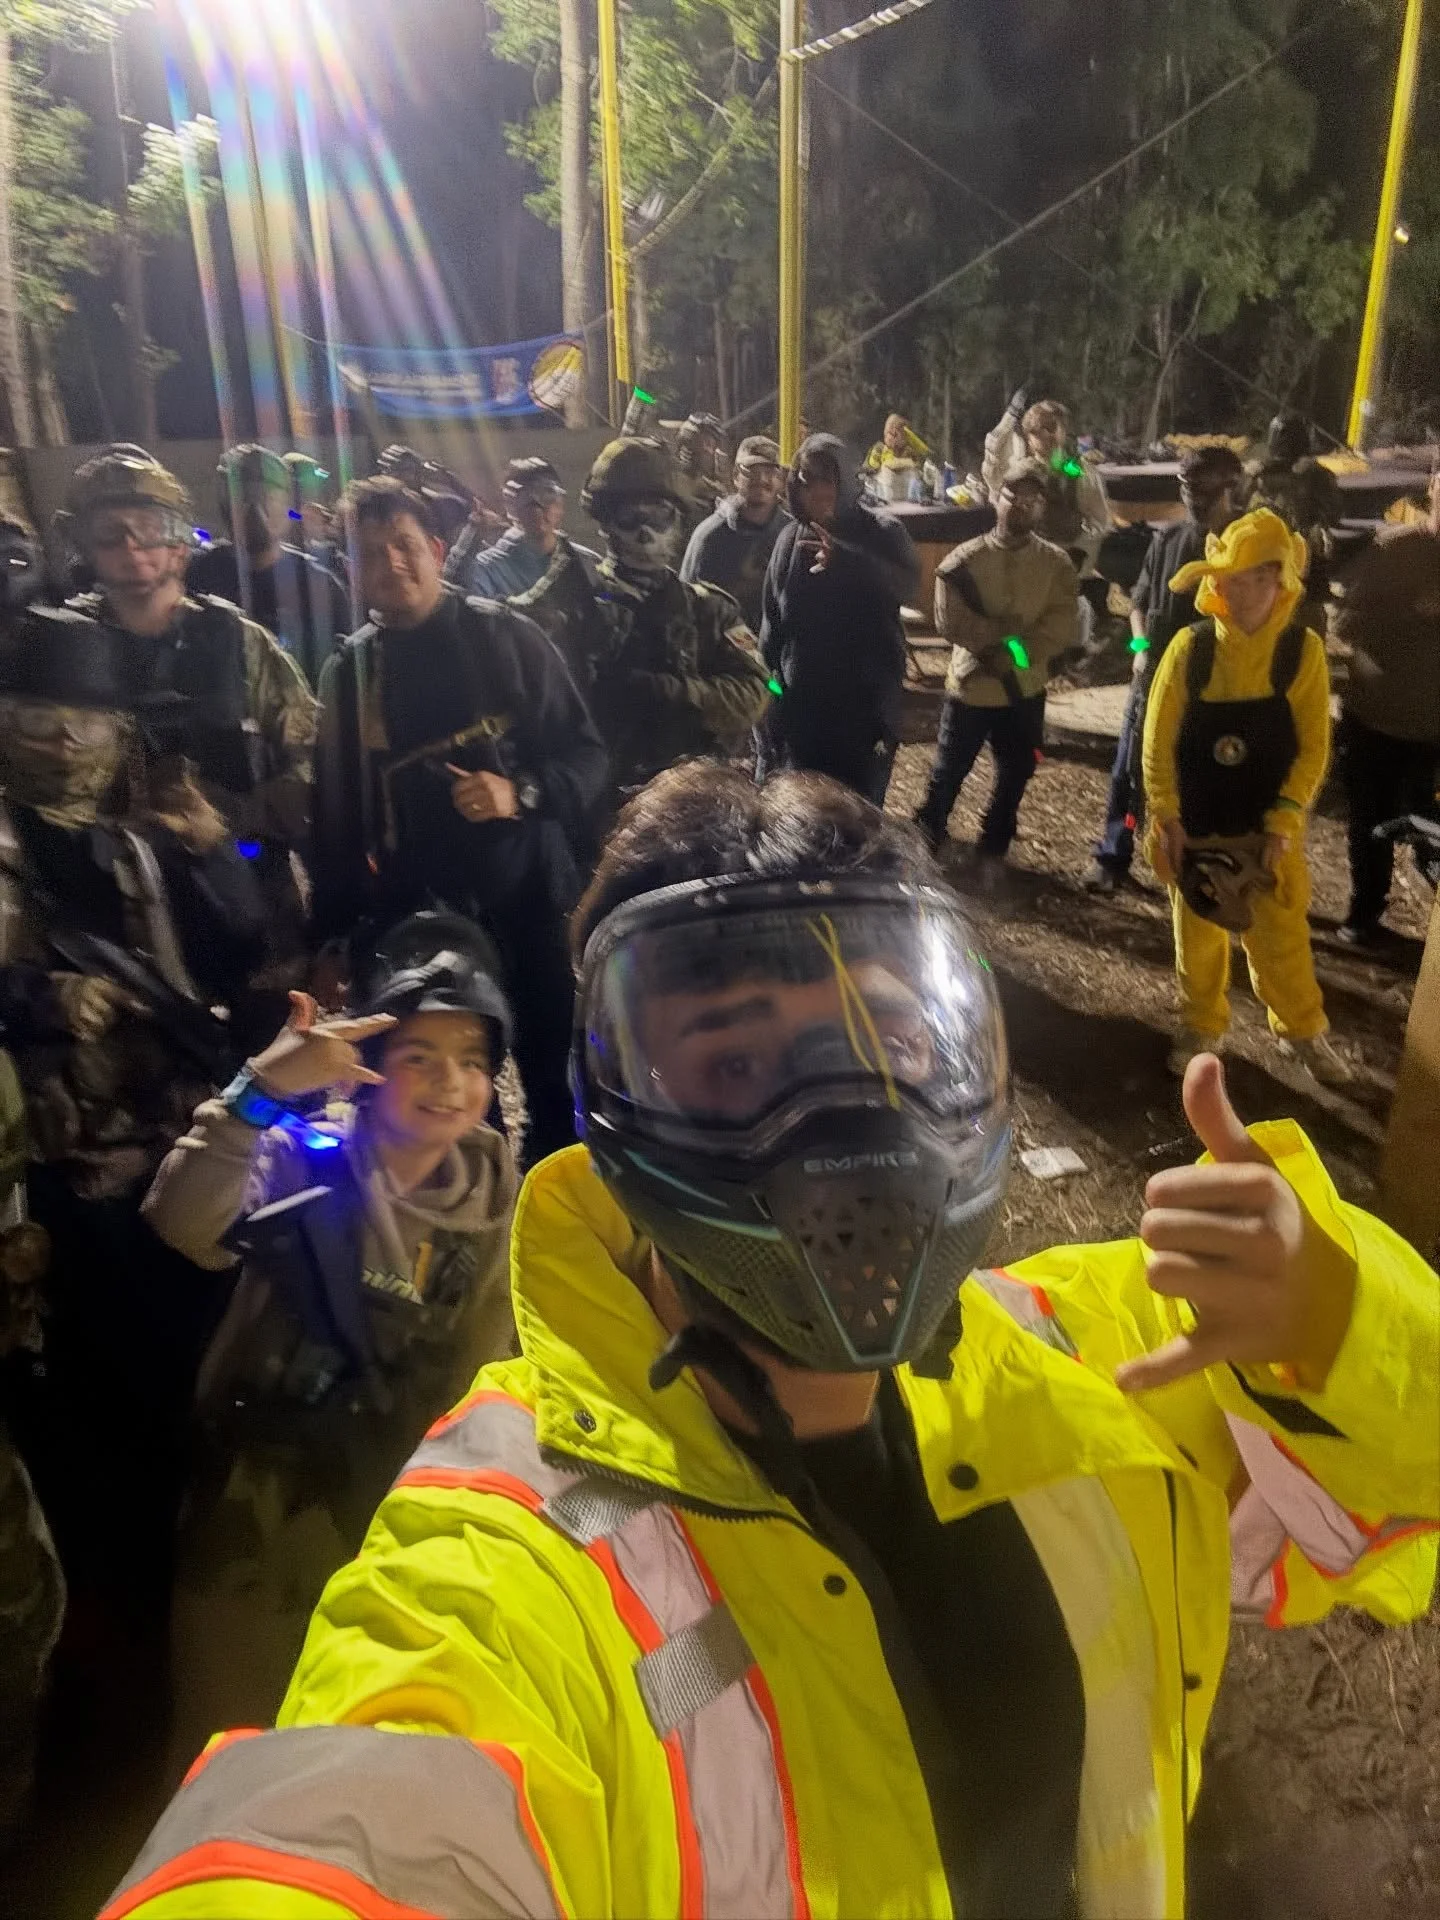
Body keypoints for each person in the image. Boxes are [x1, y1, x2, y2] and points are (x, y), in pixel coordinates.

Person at [107, 763, 1439, 1920]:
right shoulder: (520, 1558)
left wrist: (1336, 1314)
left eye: (897, 1039)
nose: (846, 1122)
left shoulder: (1121, 1358)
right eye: (739, 1067)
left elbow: (1407, 1495)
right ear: (622, 1109)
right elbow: (372, 1804)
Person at [147, 920, 519, 1766]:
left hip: (397, 1509)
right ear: (372, 1066)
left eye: (471, 1060)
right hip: (259, 1510)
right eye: (419, 1055)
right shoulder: (305, 1155)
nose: (449, 1082)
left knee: (354, 1741)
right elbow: (182, 1222)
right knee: (228, 1740)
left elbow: (488, 1358)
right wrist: (258, 1091)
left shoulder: (495, 1192)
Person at [0, 607, 265, 1675]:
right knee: (97, 1416)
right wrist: (41, 997)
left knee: (198, 1376)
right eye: (35, 715)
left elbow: (244, 948)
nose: (64, 740)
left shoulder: (138, 843)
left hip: (175, 1151)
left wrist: (218, 854)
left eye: (87, 718)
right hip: (60, 1178)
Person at [311, 476, 607, 1167]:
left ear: (438, 549)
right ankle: (470, 1238)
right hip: (416, 917)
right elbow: (334, 820)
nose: (392, 565)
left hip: (530, 897)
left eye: (406, 546)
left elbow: (589, 756)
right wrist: (330, 935)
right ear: (352, 570)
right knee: (447, 1100)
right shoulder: (348, 675)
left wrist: (521, 791)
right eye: (371, 552)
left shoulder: (509, 640)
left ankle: (554, 1217)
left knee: (555, 1082)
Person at [65, 446, 318, 1024]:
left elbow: (312, 771)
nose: (132, 547)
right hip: (117, 934)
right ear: (87, 547)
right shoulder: (62, 655)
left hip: (250, 913)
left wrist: (227, 818)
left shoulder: (241, 646)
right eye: (111, 534)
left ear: (179, 543)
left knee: (270, 1088)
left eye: (148, 530)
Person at [1143, 508, 1350, 1086]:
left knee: (1282, 939)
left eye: (1257, 577)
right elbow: (1156, 741)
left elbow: (1314, 748)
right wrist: (1165, 816)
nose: (1241, 590)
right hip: (1197, 822)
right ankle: (1201, 1024)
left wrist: (1286, 818)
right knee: (1200, 939)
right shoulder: (1190, 649)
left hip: (1266, 830)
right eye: (1231, 578)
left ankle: (1303, 1031)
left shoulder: (1301, 652)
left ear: (1280, 581)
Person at [516, 437, 770, 805]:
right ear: (606, 523)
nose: (644, 531)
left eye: (658, 516)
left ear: (677, 521)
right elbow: (508, 656)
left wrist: (681, 693)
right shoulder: (574, 601)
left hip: (688, 797)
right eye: (630, 518)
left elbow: (761, 690)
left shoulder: (708, 609)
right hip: (599, 796)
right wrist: (551, 597)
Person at [1087, 446, 1246, 893]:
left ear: (1231, 486)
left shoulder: (1247, 544)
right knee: (1130, 768)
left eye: (1204, 488)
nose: (1193, 497)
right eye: (1187, 487)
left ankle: (1196, 865)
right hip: (1154, 676)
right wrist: (1139, 649)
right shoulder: (1169, 538)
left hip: (1214, 686)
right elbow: (1138, 601)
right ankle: (1113, 855)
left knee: (1200, 777)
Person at [913, 461, 1078, 880]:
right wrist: (993, 642)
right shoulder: (964, 560)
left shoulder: (1056, 565)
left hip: (1023, 688)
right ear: (995, 499)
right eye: (1012, 496)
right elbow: (949, 619)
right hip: (971, 687)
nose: (1021, 506)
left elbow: (1060, 627)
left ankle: (993, 848)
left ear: (1042, 508)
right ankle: (926, 838)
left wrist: (1016, 654)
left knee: (1017, 770)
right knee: (949, 770)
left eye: (1032, 500)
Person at [760, 430, 919, 802]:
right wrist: (773, 693)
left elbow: (907, 587)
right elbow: (772, 624)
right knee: (798, 816)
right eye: (806, 481)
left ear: (846, 481)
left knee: (857, 819)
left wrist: (847, 561)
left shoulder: (882, 532)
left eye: (827, 480)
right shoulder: (788, 540)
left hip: (862, 718)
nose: (817, 491)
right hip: (803, 714)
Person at [1329, 463, 1440, 944]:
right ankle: (1364, 914)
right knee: (1369, 826)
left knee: (1430, 835)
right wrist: (1412, 613)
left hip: (1435, 731)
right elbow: (1345, 624)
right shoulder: (1394, 550)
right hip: (1376, 717)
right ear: (1433, 488)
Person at [188, 445, 352, 691]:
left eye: (268, 499)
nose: (256, 512)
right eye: (243, 499)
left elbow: (343, 679)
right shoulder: (193, 575)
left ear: (286, 505)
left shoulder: (319, 588)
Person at [983, 393, 1112, 577]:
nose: (1046, 434)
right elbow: (993, 461)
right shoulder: (1021, 471)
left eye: (1052, 427)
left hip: (1069, 566)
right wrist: (1011, 414)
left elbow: (1100, 522)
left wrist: (1078, 553)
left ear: (1063, 431)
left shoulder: (1078, 471)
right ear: (1029, 437)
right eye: (1038, 429)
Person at [1240, 412, 1342, 636]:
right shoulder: (1258, 475)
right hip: (1263, 568)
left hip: (1304, 572)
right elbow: (1238, 511)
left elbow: (1333, 514)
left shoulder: (1316, 476)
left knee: (1304, 640)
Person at [443, 457, 597, 602]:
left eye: (547, 495)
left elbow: (605, 598)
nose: (538, 510)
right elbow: (456, 593)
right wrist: (473, 532)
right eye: (527, 501)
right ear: (511, 507)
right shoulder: (487, 569)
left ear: (560, 504)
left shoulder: (584, 561)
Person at [679, 434, 791, 632]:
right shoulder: (709, 537)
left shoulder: (791, 535)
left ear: (781, 480)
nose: (761, 479)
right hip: (723, 655)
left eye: (770, 471)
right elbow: (686, 608)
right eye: (751, 471)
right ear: (735, 476)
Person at [673, 411, 728, 537]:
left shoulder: (665, 476)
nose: (715, 451)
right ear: (705, 444)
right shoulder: (710, 494)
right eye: (712, 443)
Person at [862, 412, 935, 499]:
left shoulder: (909, 451)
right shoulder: (879, 449)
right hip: (885, 499)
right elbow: (872, 468)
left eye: (901, 433)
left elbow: (919, 466)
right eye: (890, 433)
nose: (893, 437)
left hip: (908, 500)